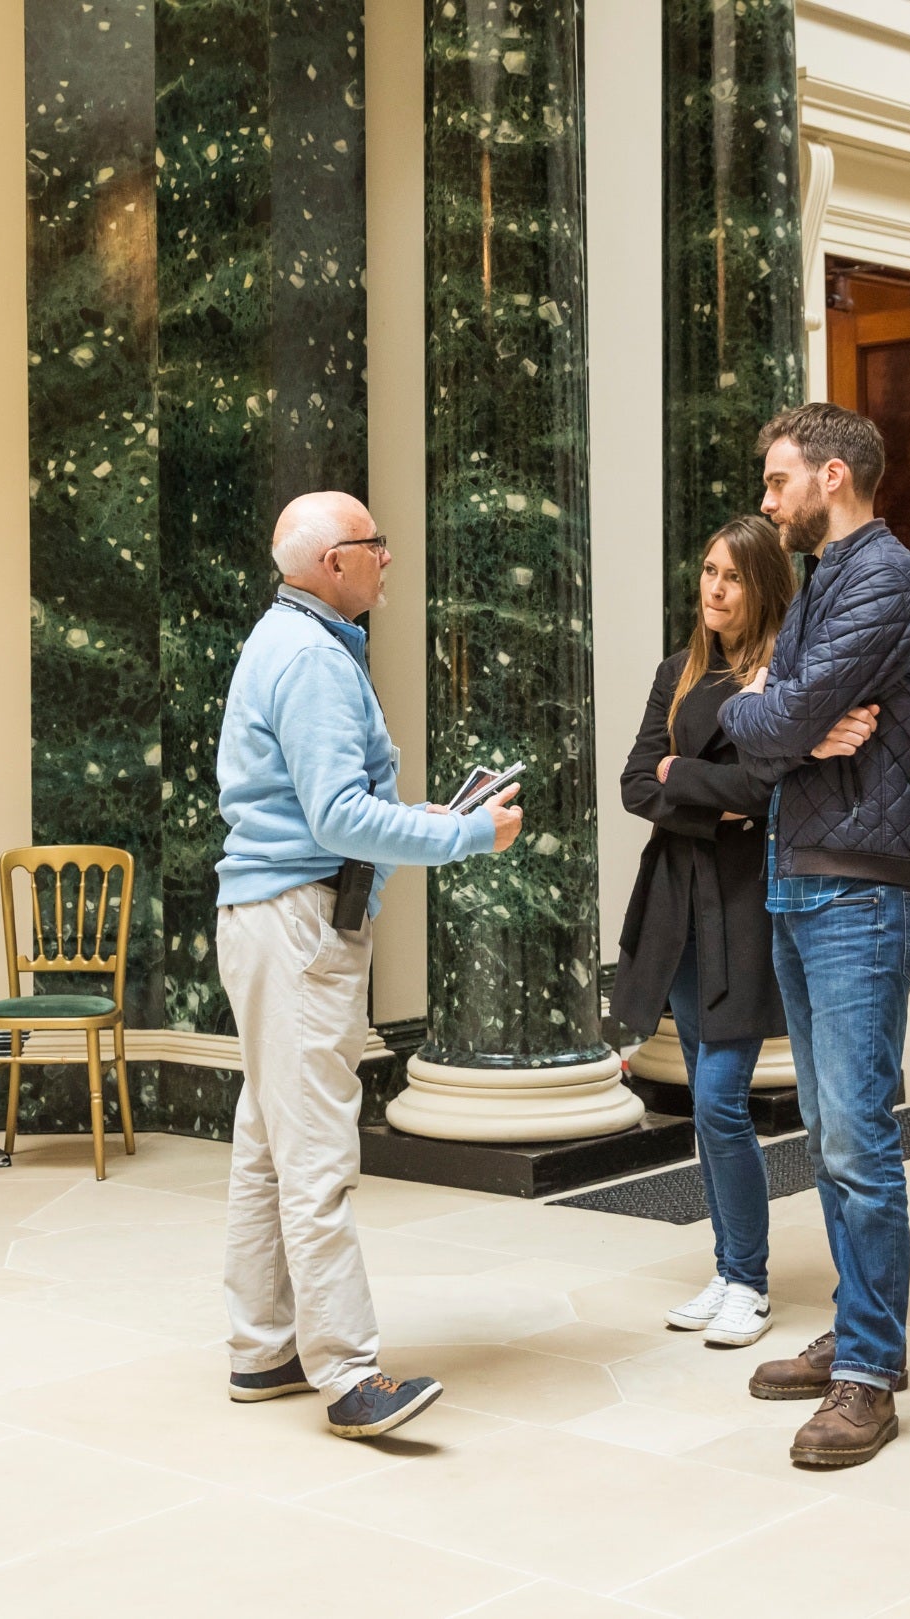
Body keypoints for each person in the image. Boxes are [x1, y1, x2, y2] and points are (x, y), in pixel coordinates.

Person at [215, 490, 522, 1440]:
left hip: (271, 919)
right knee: (313, 1154)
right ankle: (349, 1378)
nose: (388, 556)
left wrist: (422, 821)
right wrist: (467, 833)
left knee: (269, 1143)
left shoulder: (292, 639)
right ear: (329, 563)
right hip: (300, 927)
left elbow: (335, 807)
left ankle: (263, 1349)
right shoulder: (310, 657)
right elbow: (338, 818)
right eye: (373, 542)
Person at [717, 402, 910, 1470]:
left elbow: (768, 721)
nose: (767, 506)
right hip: (805, 871)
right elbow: (752, 715)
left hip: (863, 884)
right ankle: (861, 1332)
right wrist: (784, 715)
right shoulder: (825, 581)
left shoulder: (886, 579)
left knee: (859, 1135)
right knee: (827, 1127)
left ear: (831, 476)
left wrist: (782, 714)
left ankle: (868, 1372)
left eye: (778, 483)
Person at [613, 515, 873, 1350]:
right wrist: (701, 794)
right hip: (676, 902)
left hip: (743, 903)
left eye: (732, 575)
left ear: (761, 586)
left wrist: (677, 777)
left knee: (723, 1097)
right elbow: (630, 782)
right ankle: (727, 1266)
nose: (714, 588)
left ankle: (750, 1282)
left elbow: (762, 792)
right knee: (701, 1092)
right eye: (707, 571)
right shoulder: (676, 671)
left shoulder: (782, 677)